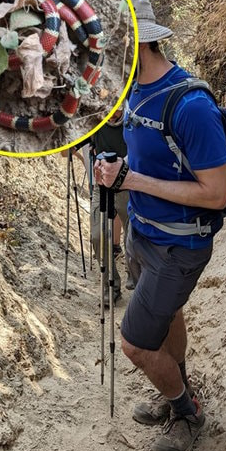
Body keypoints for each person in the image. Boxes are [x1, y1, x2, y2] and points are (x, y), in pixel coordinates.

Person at [96, 0, 226, 451]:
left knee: (133, 344)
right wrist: (119, 168)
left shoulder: (191, 105)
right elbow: (152, 158)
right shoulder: (133, 93)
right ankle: (178, 388)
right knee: (167, 316)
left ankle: (187, 412)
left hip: (179, 246)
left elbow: (217, 193)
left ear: (138, 45)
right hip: (143, 234)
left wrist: (133, 179)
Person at [70, 102, 133, 305]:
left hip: (129, 186)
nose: (112, 111)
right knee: (98, 236)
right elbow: (65, 150)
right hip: (102, 188)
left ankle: (138, 276)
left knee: (134, 236)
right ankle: (110, 286)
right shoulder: (94, 124)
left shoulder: (132, 122)